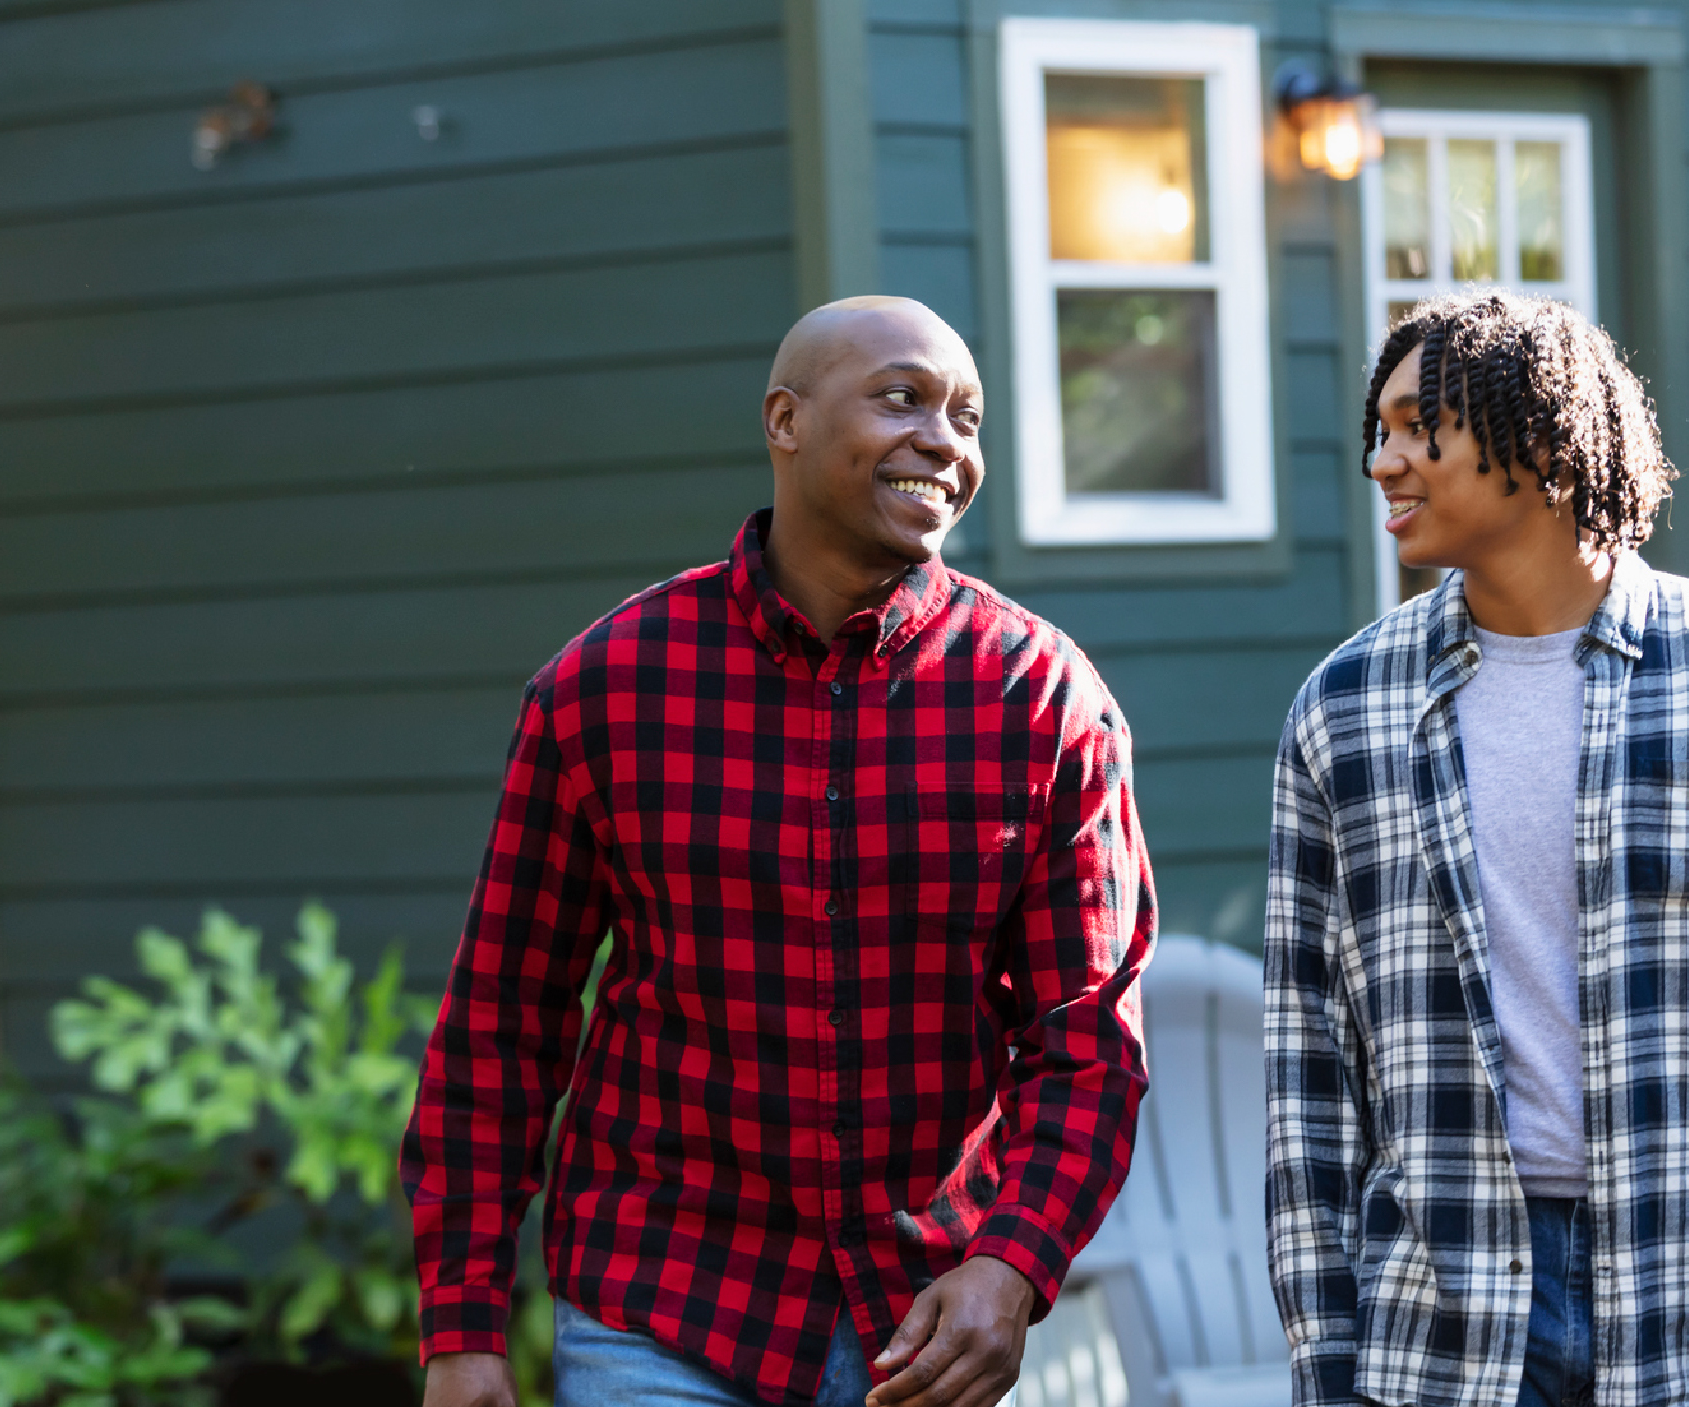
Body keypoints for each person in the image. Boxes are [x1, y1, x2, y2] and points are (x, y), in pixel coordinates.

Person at [404, 297, 1156, 1407]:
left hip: (922, 1325)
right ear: (785, 420)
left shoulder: (1041, 699)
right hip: (659, 1309)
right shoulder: (605, 687)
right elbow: (503, 1024)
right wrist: (462, 1329)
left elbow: (1090, 1034)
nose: (944, 441)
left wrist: (1012, 1261)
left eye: (968, 416)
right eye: (902, 398)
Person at [1264, 292, 1689, 1407]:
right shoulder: (1342, 711)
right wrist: (1323, 1356)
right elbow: (1308, 1071)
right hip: (1434, 1334)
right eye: (1376, 431)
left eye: (1415, 427)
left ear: (1535, 438)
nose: (1382, 462)